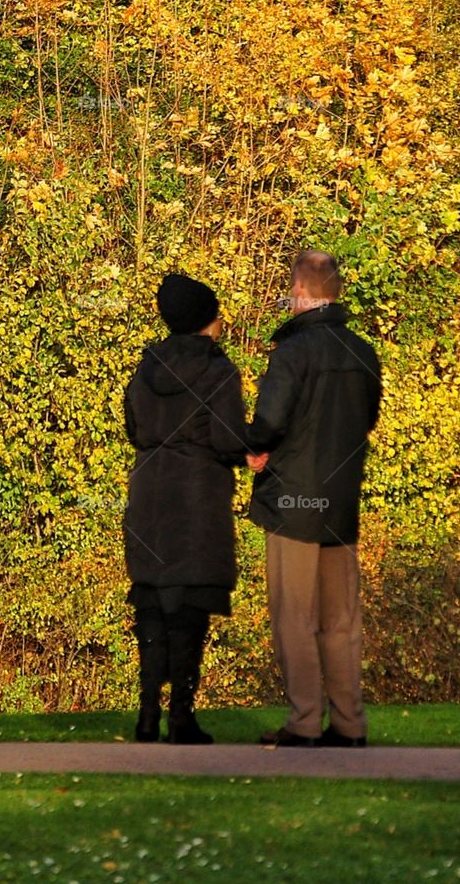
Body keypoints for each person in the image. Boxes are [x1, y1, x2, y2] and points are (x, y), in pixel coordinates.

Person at [123, 272, 267, 744]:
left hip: (150, 493)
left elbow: (134, 426)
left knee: (152, 598)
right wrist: (251, 447)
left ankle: (147, 713)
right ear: (208, 319)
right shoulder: (217, 369)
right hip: (197, 497)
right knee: (189, 606)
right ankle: (180, 714)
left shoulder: (146, 368)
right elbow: (226, 436)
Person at [246, 249, 382, 747]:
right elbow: (366, 420)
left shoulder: (292, 354)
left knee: (294, 618)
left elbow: (270, 424)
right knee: (342, 621)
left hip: (293, 503)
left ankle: (304, 720)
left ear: (300, 292)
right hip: (341, 504)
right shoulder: (362, 352)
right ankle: (349, 723)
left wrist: (254, 449)